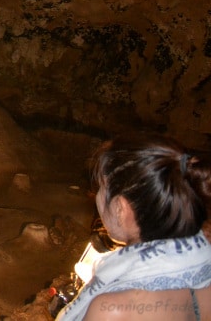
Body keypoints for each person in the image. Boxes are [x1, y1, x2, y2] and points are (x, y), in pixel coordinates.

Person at [57, 133, 211, 321]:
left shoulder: (111, 311)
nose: (97, 197)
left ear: (120, 209)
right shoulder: (202, 263)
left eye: (101, 188)